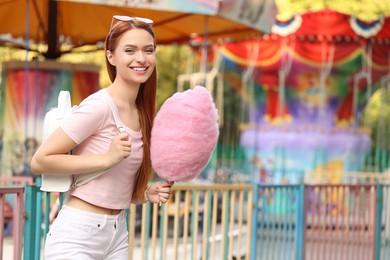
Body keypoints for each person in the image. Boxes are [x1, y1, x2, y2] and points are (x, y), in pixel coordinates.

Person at [30, 15, 174, 259]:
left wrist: (146, 194)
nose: (141, 58)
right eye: (130, 50)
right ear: (111, 56)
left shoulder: (143, 114)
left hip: (117, 234)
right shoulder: (99, 106)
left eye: (148, 50)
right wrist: (106, 159)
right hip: (77, 235)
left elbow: (110, 187)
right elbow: (40, 160)